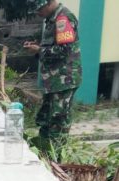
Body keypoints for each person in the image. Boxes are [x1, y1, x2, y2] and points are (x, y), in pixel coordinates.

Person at [23, 0, 81, 151]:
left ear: (48, 4)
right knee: (46, 119)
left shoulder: (63, 18)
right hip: (53, 81)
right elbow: (53, 48)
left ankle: (56, 159)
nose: (38, 13)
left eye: (39, 9)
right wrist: (38, 48)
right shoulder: (51, 19)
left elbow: (64, 50)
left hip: (64, 80)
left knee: (58, 122)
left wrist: (38, 50)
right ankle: (45, 154)